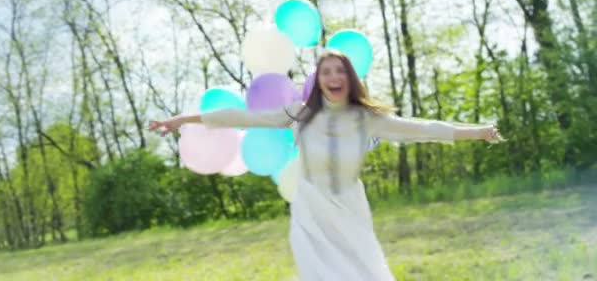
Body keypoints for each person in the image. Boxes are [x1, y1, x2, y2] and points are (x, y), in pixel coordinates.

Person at [149, 51, 503, 281]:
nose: (333, 76)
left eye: (339, 71)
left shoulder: (368, 119)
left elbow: (424, 129)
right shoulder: (301, 115)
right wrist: (184, 118)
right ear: (318, 82)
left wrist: (480, 132)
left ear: (349, 78)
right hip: (310, 211)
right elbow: (242, 116)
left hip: (349, 209)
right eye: (325, 72)